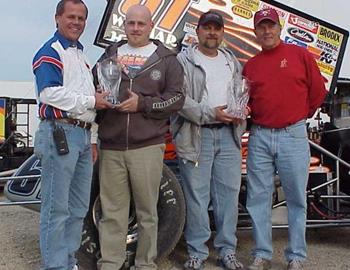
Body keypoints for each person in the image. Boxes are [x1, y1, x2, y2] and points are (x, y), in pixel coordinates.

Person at [94, 4, 184, 270]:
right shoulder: (108, 56)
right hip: (111, 145)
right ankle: (110, 263)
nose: (135, 28)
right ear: (124, 25)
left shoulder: (166, 59)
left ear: (151, 26)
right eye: (131, 23)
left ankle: (145, 264)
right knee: (112, 213)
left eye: (141, 24)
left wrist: (142, 104)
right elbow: (94, 93)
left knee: (147, 212)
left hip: (147, 146)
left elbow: (177, 98)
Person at [243, 8, 328, 270]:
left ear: (279, 28)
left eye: (271, 26)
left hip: (293, 135)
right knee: (257, 198)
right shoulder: (251, 65)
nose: (267, 31)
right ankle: (262, 253)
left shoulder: (299, 55)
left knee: (296, 199)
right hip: (259, 136)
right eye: (262, 27)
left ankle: (296, 256)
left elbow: (318, 91)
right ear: (255, 32)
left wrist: (300, 116)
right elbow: (245, 102)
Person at [32, 1, 113, 269]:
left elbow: (88, 105)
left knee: (78, 208)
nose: (76, 22)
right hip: (59, 133)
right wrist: (92, 100)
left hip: (80, 136)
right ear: (57, 18)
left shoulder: (81, 56)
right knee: (56, 210)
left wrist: (91, 140)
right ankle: (55, 266)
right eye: (70, 16)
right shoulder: (50, 52)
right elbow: (49, 94)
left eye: (81, 18)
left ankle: (68, 261)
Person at [171, 11, 246, 270]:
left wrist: (241, 114)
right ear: (198, 30)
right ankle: (197, 252)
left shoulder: (232, 61)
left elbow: (240, 95)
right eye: (207, 28)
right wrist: (211, 113)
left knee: (228, 197)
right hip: (196, 135)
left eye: (217, 28)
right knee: (197, 198)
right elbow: (178, 100)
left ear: (223, 33)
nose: (212, 33)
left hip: (228, 137)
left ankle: (227, 250)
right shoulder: (183, 61)